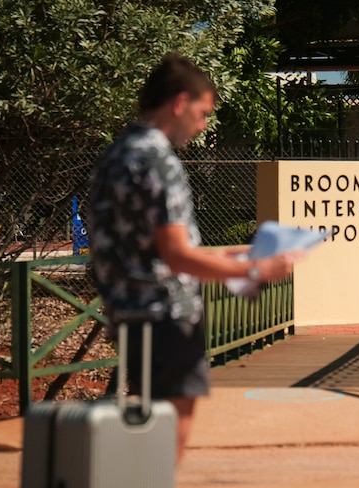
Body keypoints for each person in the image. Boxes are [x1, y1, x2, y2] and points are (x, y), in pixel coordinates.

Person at [88, 53, 299, 464]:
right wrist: (257, 269)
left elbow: (151, 251)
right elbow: (177, 256)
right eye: (202, 113)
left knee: (146, 428)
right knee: (168, 436)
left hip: (128, 311)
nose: (204, 125)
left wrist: (233, 254)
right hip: (166, 316)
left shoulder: (116, 153)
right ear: (180, 103)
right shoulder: (159, 160)